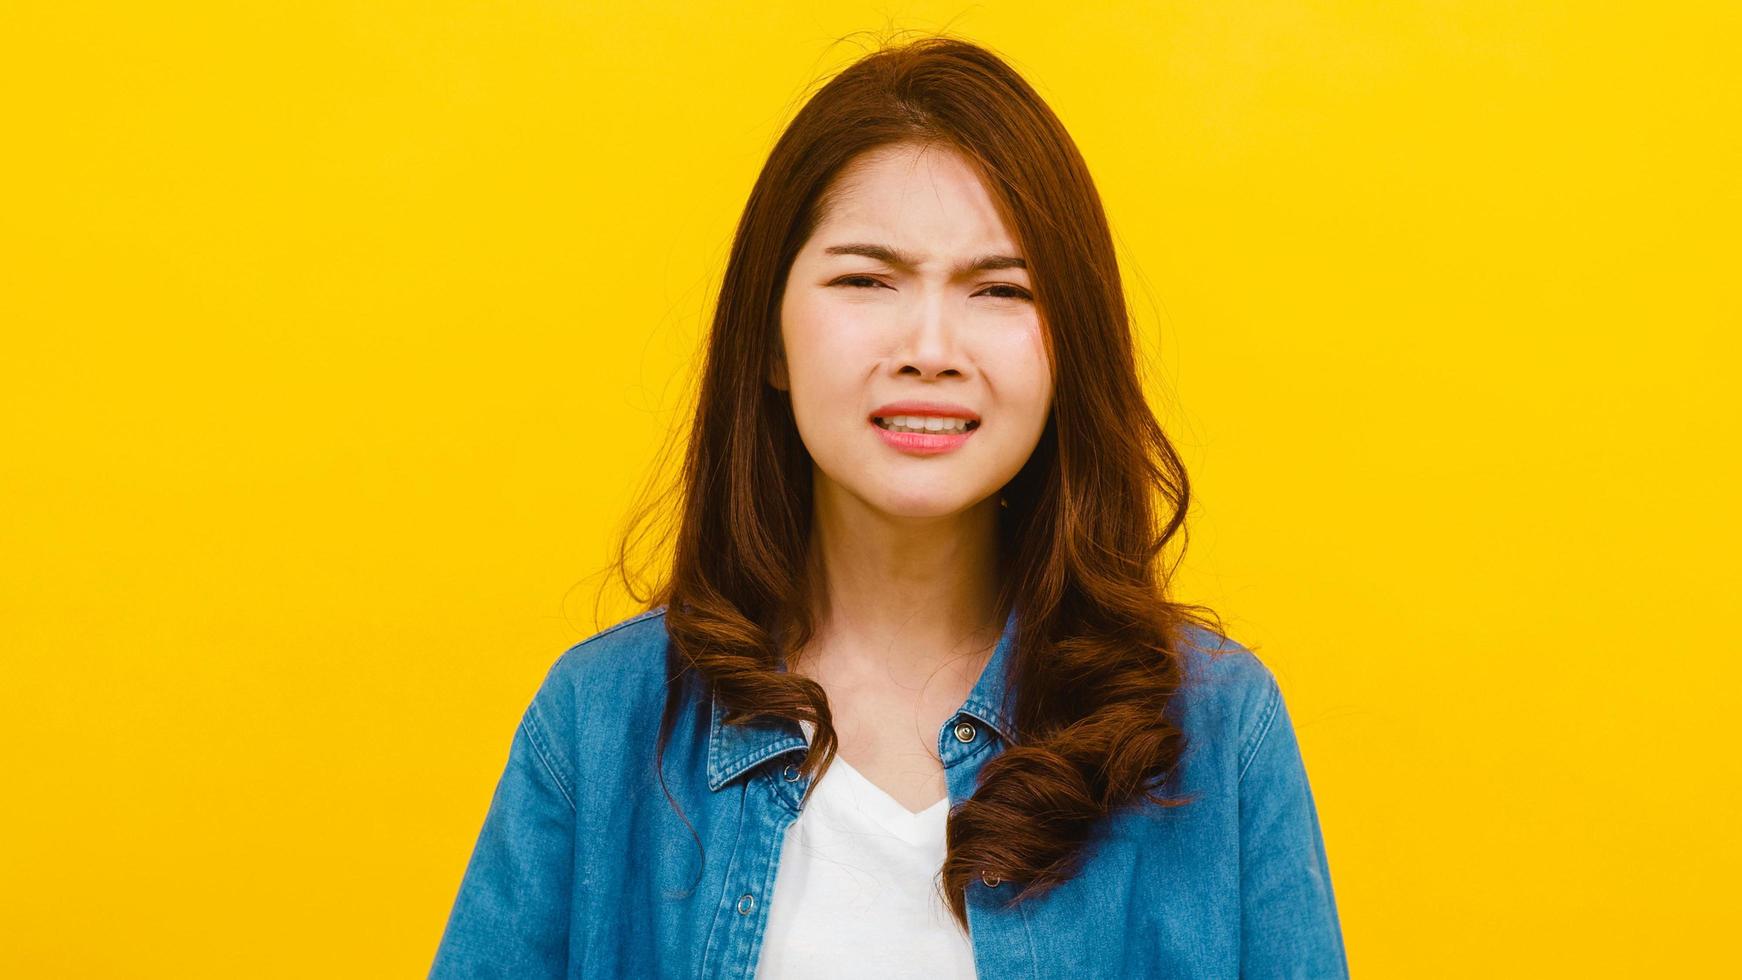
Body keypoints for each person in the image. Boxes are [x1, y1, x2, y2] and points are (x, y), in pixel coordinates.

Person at [430, 33, 1347, 979]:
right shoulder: (601, 723)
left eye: (999, 288)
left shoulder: (1216, 729)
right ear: (772, 341)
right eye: (866, 280)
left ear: (1068, 350)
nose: (930, 347)